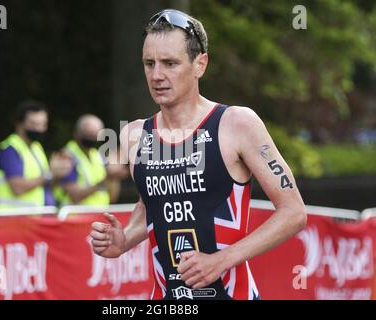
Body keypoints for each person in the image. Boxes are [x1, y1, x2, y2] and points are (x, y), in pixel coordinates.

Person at [90, 9, 307, 300]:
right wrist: (124, 239)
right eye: (149, 63)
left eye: (170, 63)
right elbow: (150, 206)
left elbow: (293, 212)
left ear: (200, 64)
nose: (157, 75)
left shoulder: (237, 124)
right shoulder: (134, 136)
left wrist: (221, 260)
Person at [0, 100, 72, 208]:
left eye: (43, 124)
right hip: (13, 219)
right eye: (33, 124)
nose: (39, 129)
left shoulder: (36, 148)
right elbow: (18, 188)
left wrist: (58, 173)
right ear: (19, 124)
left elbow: (45, 186)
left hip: (33, 218)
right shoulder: (10, 150)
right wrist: (50, 173)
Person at [55, 114, 129, 206]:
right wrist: (106, 180)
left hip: (99, 215)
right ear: (76, 133)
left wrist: (115, 178)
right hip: (76, 217)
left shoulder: (97, 155)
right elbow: (75, 196)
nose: (91, 138)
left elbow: (112, 197)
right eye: (88, 134)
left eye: (94, 135)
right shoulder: (67, 156)